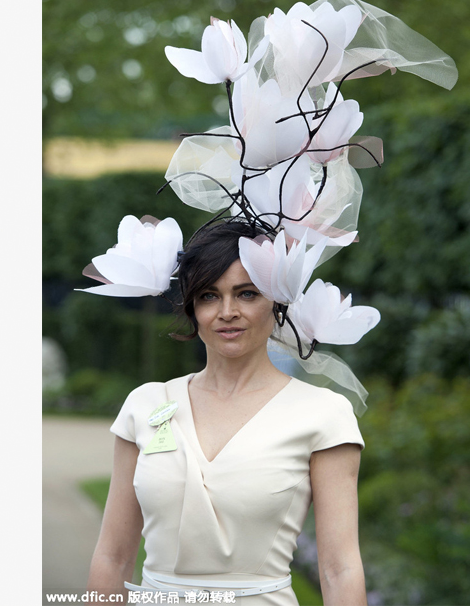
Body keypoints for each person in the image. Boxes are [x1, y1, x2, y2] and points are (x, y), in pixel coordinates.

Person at [86, 221, 367, 605]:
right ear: (192, 307)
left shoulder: (323, 414)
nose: (227, 312)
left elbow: (340, 568)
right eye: (208, 296)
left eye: (247, 293)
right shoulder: (145, 404)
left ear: (277, 300)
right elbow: (112, 557)